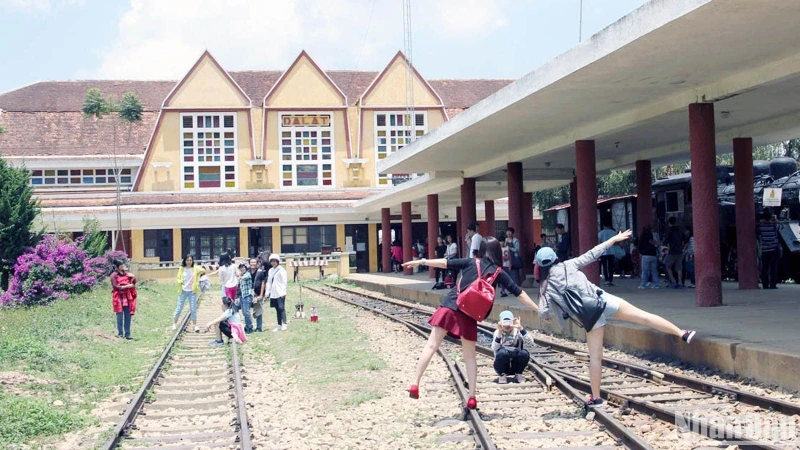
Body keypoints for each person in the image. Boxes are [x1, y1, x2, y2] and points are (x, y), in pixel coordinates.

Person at [535, 230, 696, 406]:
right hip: (602, 300)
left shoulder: (545, 287)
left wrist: (551, 315)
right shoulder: (568, 265)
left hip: (589, 318)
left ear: (538, 266)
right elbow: (593, 254)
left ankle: (596, 398)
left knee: (595, 357)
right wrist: (613, 239)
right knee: (644, 317)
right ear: (555, 258)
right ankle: (682, 333)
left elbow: (543, 312)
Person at [402, 236, 540, 410]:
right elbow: (519, 293)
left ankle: (415, 383)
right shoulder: (499, 272)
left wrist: (422, 261)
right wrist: (537, 309)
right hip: (469, 314)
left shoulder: (470, 262)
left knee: (431, 346)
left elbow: (445, 263)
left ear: (481, 250)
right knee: (470, 357)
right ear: (497, 251)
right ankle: (472, 397)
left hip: (451, 306)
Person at [491, 310, 535, 384]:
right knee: (501, 353)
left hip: (516, 363)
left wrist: (521, 328)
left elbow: (531, 343)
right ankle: (502, 375)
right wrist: (499, 332)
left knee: (524, 353)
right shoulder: (497, 332)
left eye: (509, 322)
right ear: (500, 322)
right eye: (505, 322)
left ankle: (518, 373)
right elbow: (494, 348)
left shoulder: (517, 331)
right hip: (502, 364)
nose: (507, 325)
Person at [174, 255, 206, 332]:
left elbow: (203, 270)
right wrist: (180, 282)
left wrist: (198, 273)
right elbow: (178, 278)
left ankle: (195, 325)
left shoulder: (195, 268)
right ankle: (174, 323)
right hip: (183, 291)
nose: (189, 262)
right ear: (185, 261)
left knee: (193, 308)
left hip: (192, 291)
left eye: (190, 260)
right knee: (179, 307)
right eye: (187, 260)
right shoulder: (182, 268)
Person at [110, 259, 137, 340]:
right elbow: (115, 287)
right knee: (120, 316)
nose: (122, 266)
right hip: (119, 297)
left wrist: (133, 277)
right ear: (116, 266)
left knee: (128, 315)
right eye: (121, 265)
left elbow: (133, 283)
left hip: (127, 297)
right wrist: (126, 286)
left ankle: (127, 334)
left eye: (123, 265)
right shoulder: (114, 275)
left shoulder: (126, 274)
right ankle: (120, 334)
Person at [758, 211, 782, 289]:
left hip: (764, 249)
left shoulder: (760, 226)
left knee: (764, 267)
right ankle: (773, 284)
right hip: (773, 249)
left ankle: (765, 284)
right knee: (773, 268)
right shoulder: (774, 225)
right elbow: (782, 227)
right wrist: (776, 220)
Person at [265, 253, 288, 331]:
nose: (273, 263)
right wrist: (267, 292)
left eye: (275, 261)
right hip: (273, 292)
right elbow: (269, 282)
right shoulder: (270, 271)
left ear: (278, 261)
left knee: (281, 308)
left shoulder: (281, 270)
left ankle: (284, 323)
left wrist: (284, 292)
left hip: (280, 292)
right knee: (277, 309)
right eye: (272, 261)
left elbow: (284, 281)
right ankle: (279, 324)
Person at [664, 217, 686, 289]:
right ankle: (680, 282)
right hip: (680, 251)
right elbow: (685, 240)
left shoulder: (669, 230)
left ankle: (673, 281)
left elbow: (666, 241)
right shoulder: (680, 230)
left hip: (672, 251)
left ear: (669, 223)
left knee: (668, 266)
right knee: (679, 267)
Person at [500, 227, 521, 296]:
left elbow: (517, 250)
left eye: (510, 232)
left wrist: (509, 248)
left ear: (512, 233)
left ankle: (516, 288)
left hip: (514, 258)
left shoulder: (515, 240)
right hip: (507, 259)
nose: (508, 233)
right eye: (507, 232)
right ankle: (510, 288)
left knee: (514, 274)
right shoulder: (505, 240)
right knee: (508, 274)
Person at [236, 262, 254, 333]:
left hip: (247, 296)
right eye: (240, 267)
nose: (242, 269)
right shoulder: (241, 275)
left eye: (243, 267)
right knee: (244, 312)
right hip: (242, 296)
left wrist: (238, 276)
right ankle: (247, 326)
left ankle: (249, 327)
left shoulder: (247, 274)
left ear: (245, 268)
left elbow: (243, 278)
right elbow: (238, 287)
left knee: (247, 312)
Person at [252, 260, 269, 332]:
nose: (252, 264)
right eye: (251, 262)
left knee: (258, 310)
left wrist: (261, 294)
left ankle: (259, 327)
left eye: (254, 263)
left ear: (257, 264)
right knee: (246, 311)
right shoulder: (247, 272)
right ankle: (249, 326)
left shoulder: (260, 272)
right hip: (249, 294)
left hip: (258, 293)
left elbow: (263, 283)